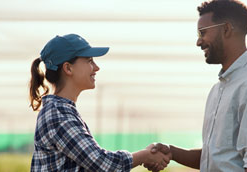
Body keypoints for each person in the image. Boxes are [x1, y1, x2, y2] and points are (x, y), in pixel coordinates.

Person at [145, 0, 247, 172]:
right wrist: (171, 152)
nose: (198, 42)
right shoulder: (219, 89)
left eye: (203, 33)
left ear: (226, 29)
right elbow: (214, 158)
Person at [29, 34, 170, 171]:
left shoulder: (63, 111)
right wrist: (144, 156)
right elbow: (101, 163)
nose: (96, 67)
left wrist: (145, 156)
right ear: (68, 68)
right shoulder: (58, 114)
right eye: (89, 61)